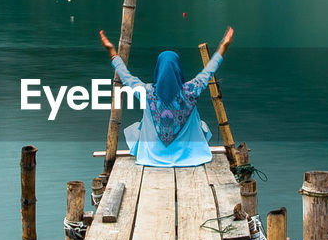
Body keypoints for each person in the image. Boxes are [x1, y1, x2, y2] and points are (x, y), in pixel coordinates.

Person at [98, 26, 234, 167]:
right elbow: (209, 71)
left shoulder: (147, 92)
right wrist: (223, 46)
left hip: (152, 157)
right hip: (189, 156)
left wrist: (112, 52)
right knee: (201, 125)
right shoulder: (191, 90)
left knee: (138, 128)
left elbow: (126, 76)